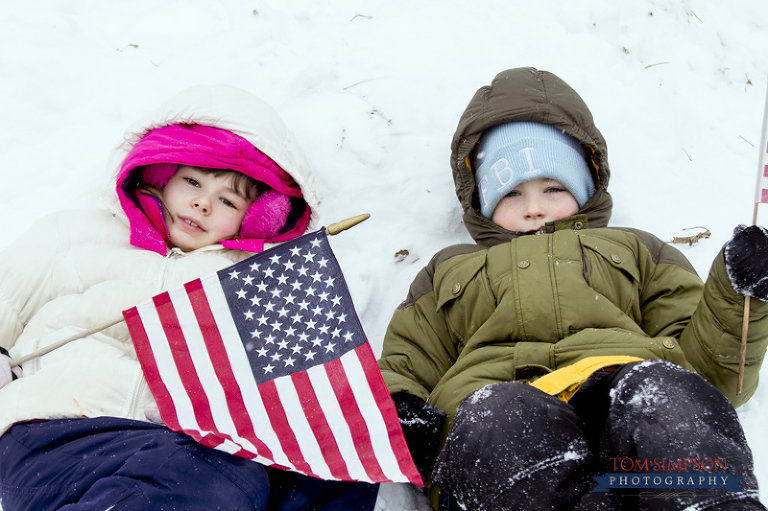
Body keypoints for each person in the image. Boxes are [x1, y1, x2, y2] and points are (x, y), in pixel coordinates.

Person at [377, 67, 768, 511]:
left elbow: (708, 370)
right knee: (497, 416)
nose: (534, 209)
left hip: (622, 396)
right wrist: (402, 411)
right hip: (504, 407)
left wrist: (740, 296)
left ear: (586, 185)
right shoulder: (448, 269)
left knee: (665, 394)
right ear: (482, 202)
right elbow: (408, 360)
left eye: (553, 187)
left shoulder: (635, 248)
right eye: (510, 194)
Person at [0, 85, 378, 510]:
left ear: (257, 217)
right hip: (59, 431)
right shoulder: (74, 236)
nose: (201, 204)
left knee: (341, 457)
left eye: (227, 200)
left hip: (195, 445)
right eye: (193, 182)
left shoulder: (260, 282)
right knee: (210, 480)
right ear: (160, 175)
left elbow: (301, 389)